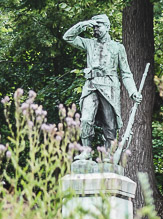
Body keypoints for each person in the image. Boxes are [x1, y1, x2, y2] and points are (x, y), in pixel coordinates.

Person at [61, 14, 142, 152]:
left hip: (110, 87)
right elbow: (68, 37)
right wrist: (83, 24)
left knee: (110, 124)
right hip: (91, 86)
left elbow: (126, 73)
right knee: (86, 120)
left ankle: (108, 156)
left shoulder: (118, 48)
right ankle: (86, 152)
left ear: (107, 27)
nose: (95, 29)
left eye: (98, 26)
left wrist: (132, 91)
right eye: (94, 27)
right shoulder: (89, 44)